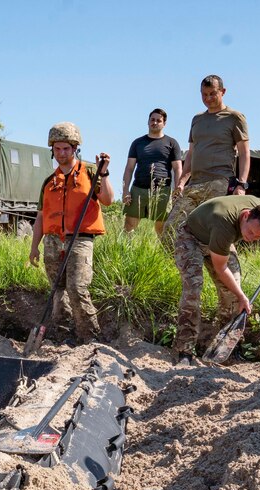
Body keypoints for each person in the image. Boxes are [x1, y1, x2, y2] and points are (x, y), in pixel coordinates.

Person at [171, 195, 260, 365]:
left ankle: (226, 346)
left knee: (232, 293)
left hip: (218, 241)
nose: (252, 238)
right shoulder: (225, 224)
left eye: (258, 237)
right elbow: (220, 268)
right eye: (250, 232)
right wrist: (243, 296)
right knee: (193, 289)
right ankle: (184, 350)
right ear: (245, 216)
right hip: (191, 238)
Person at [28, 123, 114, 344]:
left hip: (81, 239)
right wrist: (33, 247)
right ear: (52, 150)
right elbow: (40, 217)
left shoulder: (91, 173)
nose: (61, 153)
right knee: (58, 292)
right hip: (53, 241)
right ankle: (64, 338)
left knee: (77, 289)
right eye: (57, 149)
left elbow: (108, 200)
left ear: (75, 148)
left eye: (66, 148)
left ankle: (91, 339)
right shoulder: (49, 182)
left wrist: (103, 173)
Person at [165, 75, 250, 236]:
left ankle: (226, 262)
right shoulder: (197, 119)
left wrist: (241, 184)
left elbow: (245, 153)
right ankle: (189, 261)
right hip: (194, 184)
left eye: (212, 94)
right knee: (171, 229)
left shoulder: (234, 117)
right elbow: (191, 153)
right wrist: (182, 181)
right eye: (204, 94)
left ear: (223, 92)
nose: (208, 98)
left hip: (220, 182)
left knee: (214, 234)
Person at [122, 109, 183, 235]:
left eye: (158, 120)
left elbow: (177, 168)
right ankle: (127, 253)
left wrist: (178, 188)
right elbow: (129, 168)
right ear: (148, 121)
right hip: (139, 188)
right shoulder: (137, 143)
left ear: (164, 123)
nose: (155, 123)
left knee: (162, 228)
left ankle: (162, 254)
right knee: (129, 226)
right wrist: (125, 190)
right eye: (152, 120)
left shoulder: (172, 143)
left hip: (162, 190)